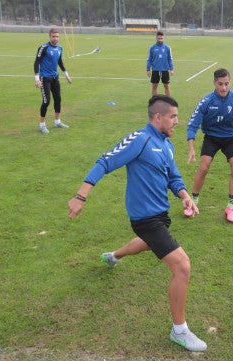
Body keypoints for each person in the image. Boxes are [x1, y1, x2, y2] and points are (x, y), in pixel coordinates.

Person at [68, 95, 206, 352]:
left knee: (145, 245)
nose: (177, 121)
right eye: (173, 116)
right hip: (145, 219)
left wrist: (185, 196)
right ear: (158, 117)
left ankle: (114, 256)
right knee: (182, 266)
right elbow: (105, 161)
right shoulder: (140, 140)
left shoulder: (166, 145)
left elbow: (173, 177)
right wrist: (80, 195)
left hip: (161, 216)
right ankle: (179, 331)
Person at [186, 68, 233, 223]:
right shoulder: (206, 101)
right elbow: (192, 125)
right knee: (203, 167)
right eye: (220, 84)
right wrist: (191, 148)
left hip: (231, 137)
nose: (223, 88)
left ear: (230, 82)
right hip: (211, 137)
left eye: (226, 84)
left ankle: (230, 207)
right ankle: (193, 202)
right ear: (214, 83)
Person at [34, 28, 72, 134]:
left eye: (57, 36)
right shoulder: (44, 48)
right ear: (49, 37)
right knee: (46, 102)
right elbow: (36, 62)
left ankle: (57, 121)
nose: (55, 38)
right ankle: (42, 125)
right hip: (45, 78)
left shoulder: (59, 48)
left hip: (55, 78)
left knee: (58, 99)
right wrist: (37, 79)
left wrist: (67, 75)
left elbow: (60, 62)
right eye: (53, 36)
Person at [146, 31, 174, 97]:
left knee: (166, 86)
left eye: (161, 38)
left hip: (165, 70)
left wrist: (171, 69)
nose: (160, 40)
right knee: (154, 87)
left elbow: (170, 59)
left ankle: (168, 101)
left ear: (163, 38)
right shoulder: (152, 48)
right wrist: (148, 69)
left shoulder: (167, 48)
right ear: (156, 38)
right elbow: (149, 59)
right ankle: (154, 102)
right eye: (159, 38)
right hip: (155, 70)